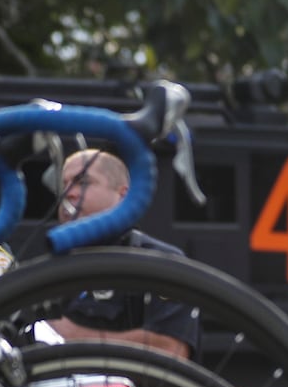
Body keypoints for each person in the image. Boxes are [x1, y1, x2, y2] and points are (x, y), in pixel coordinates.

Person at [44, 148, 200, 359]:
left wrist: (74, 337)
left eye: (83, 182)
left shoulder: (160, 262)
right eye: (64, 184)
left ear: (123, 195)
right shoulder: (50, 266)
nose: (68, 193)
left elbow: (171, 351)